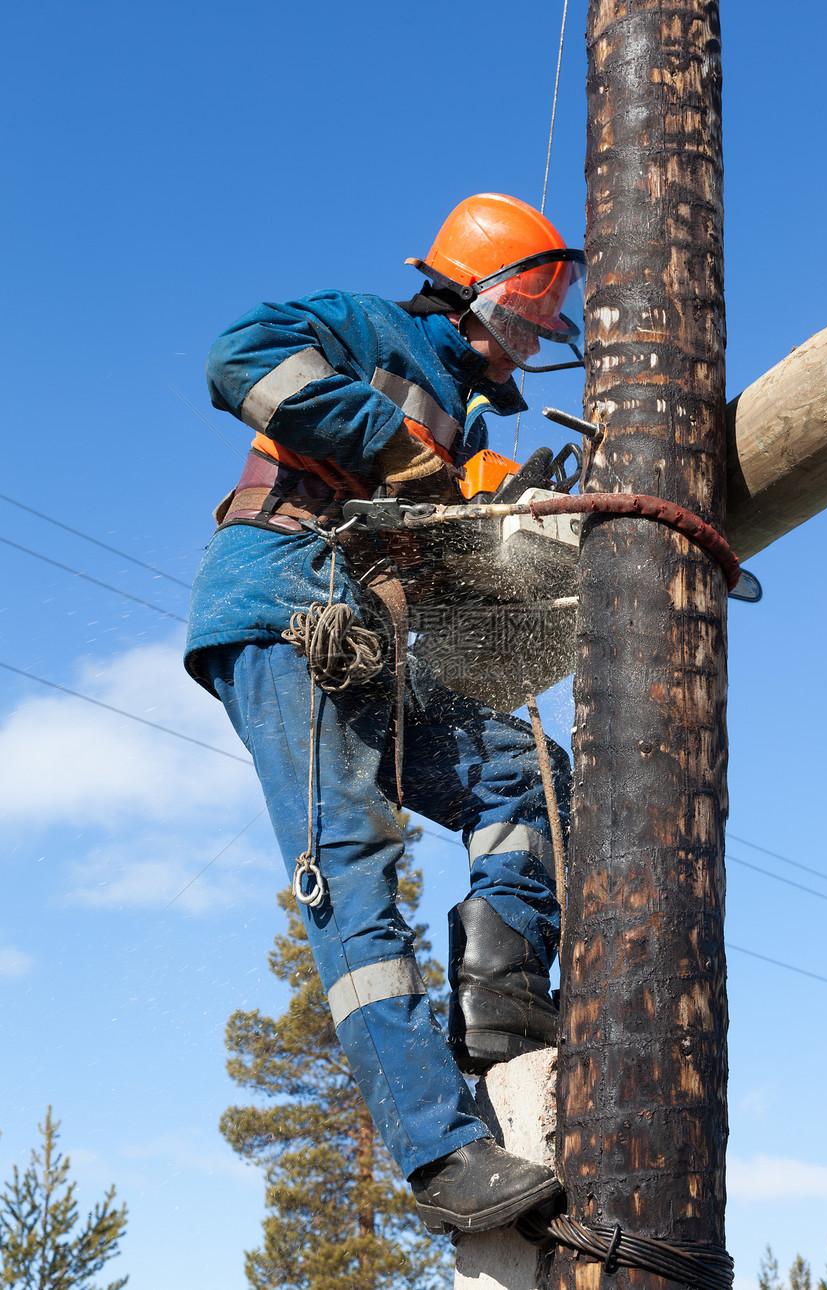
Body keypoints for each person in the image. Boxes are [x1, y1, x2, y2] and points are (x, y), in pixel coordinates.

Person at [184, 193, 584, 1236]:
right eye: (535, 311)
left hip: (371, 631)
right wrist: (396, 446)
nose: (543, 333)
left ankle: (499, 991)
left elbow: (444, 577)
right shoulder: (372, 329)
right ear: (479, 294)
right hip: (282, 606)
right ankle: (439, 1149)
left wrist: (510, 540)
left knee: (524, 772)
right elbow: (242, 354)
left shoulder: (465, 413)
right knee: (351, 863)